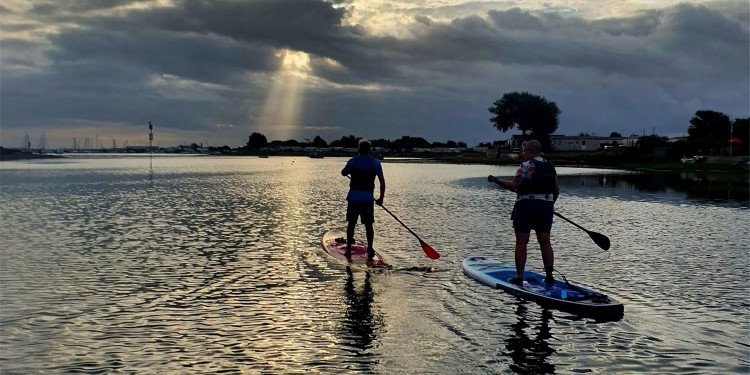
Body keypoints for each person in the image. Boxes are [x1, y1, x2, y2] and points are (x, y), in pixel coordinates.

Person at [488, 139, 559, 285]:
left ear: (530, 152)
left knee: (521, 242)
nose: (523, 154)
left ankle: (519, 276)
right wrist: (548, 205)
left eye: (524, 151)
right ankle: (549, 275)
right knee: (545, 241)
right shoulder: (550, 166)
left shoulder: (526, 165)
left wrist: (496, 180)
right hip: (545, 208)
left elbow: (513, 184)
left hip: (526, 206)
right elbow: (556, 191)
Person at [341, 139, 386, 262]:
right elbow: (382, 182)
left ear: (359, 150)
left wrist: (346, 173)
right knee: (368, 225)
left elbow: (343, 172)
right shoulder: (376, 163)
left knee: (351, 223)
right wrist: (381, 198)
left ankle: (349, 249)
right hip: (367, 199)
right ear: (370, 150)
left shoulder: (353, 161)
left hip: (354, 198)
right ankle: (370, 249)